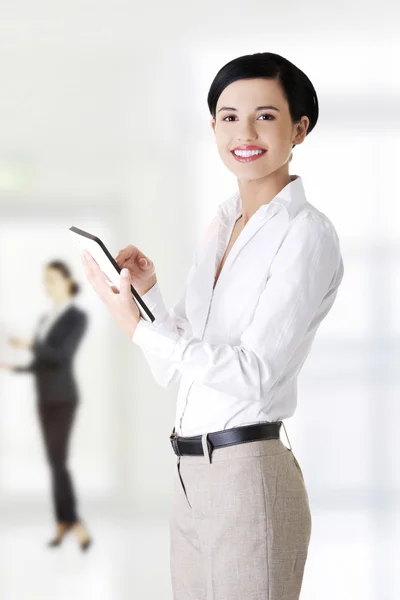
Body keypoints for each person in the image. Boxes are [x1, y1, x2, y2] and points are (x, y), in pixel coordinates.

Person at [80, 52, 344, 599]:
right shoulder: (222, 224)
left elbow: (254, 374)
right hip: (190, 473)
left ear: (300, 128)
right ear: (212, 127)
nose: (244, 132)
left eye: (265, 116)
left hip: (249, 473)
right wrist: (148, 295)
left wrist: (138, 329)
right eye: (229, 117)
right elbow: (174, 367)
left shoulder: (306, 234)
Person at [0, 260, 92, 552]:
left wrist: (29, 344)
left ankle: (73, 521)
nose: (47, 286)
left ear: (67, 281)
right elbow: (41, 363)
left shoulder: (77, 317)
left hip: (63, 397)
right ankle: (63, 521)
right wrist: (13, 369)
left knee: (58, 461)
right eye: (45, 280)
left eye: (52, 279)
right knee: (54, 462)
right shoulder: (44, 319)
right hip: (44, 397)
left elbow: (62, 356)